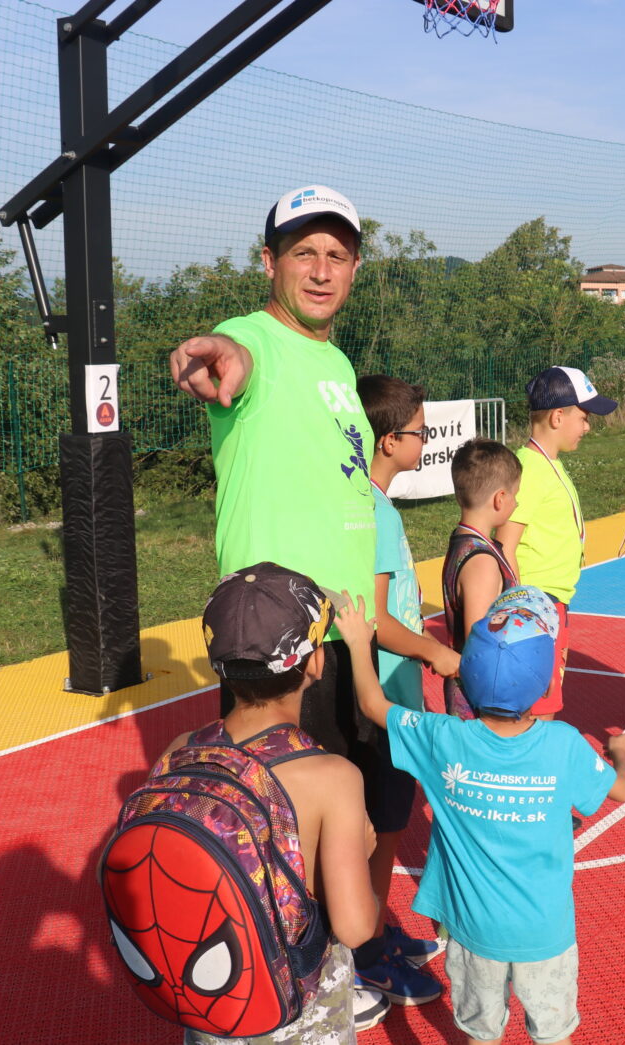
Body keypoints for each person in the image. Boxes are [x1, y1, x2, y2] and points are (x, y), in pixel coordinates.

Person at [166, 185, 428, 1027]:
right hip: (285, 634)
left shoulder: (338, 363)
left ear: (354, 268)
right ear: (270, 260)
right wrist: (213, 356)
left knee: (336, 821)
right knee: (286, 827)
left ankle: (333, 963)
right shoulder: (257, 340)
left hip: (343, 636)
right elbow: (226, 357)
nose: (321, 269)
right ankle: (288, 991)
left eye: (337, 255)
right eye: (303, 252)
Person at [336, 586, 625, 1045]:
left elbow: (374, 707)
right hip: (546, 933)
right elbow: (622, 789)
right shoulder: (564, 745)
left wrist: (359, 643)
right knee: (554, 1035)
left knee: (480, 1034)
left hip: (473, 932)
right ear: (545, 681)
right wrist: (621, 756)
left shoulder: (443, 738)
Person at [171, 562, 382, 1045]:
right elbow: (353, 926)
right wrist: (364, 861)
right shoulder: (333, 777)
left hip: (212, 1003)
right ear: (314, 663)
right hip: (296, 1015)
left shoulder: (181, 749)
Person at [355, 373, 462, 1005]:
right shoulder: (369, 508)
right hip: (385, 696)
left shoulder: (377, 504)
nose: (425, 440)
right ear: (391, 438)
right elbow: (373, 618)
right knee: (378, 826)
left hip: (396, 690)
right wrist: (434, 651)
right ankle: (363, 954)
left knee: (388, 823)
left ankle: (377, 926)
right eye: (420, 431)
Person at [495, 366, 617, 720]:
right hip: (537, 606)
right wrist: (523, 614)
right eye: (584, 417)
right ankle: (532, 772)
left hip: (549, 603)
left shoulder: (548, 464)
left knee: (544, 702)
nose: (588, 426)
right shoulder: (529, 469)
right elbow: (506, 546)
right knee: (538, 707)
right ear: (557, 416)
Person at [440, 438, 522, 719]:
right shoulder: (482, 563)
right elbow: (482, 643)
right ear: (500, 498)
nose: (516, 502)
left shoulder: (466, 542)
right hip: (484, 702)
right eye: (515, 494)